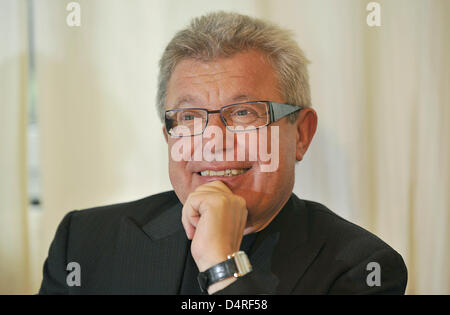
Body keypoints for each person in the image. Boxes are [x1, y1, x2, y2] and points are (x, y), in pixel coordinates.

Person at [39, 11, 407, 295]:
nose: (214, 140)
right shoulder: (85, 240)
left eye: (244, 113)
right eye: (189, 117)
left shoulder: (362, 268)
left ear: (302, 134)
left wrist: (223, 266)